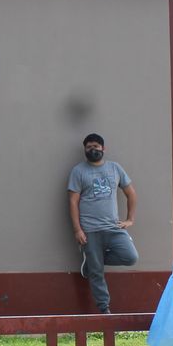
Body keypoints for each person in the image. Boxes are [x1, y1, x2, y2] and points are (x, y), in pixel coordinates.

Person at [67, 133, 138, 313]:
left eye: (96, 147)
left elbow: (131, 193)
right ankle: (104, 309)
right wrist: (77, 230)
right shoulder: (78, 171)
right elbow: (73, 201)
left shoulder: (115, 168)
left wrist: (130, 219)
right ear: (85, 150)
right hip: (90, 230)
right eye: (89, 147)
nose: (93, 150)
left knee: (130, 257)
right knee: (97, 272)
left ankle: (91, 261)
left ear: (103, 148)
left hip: (113, 228)